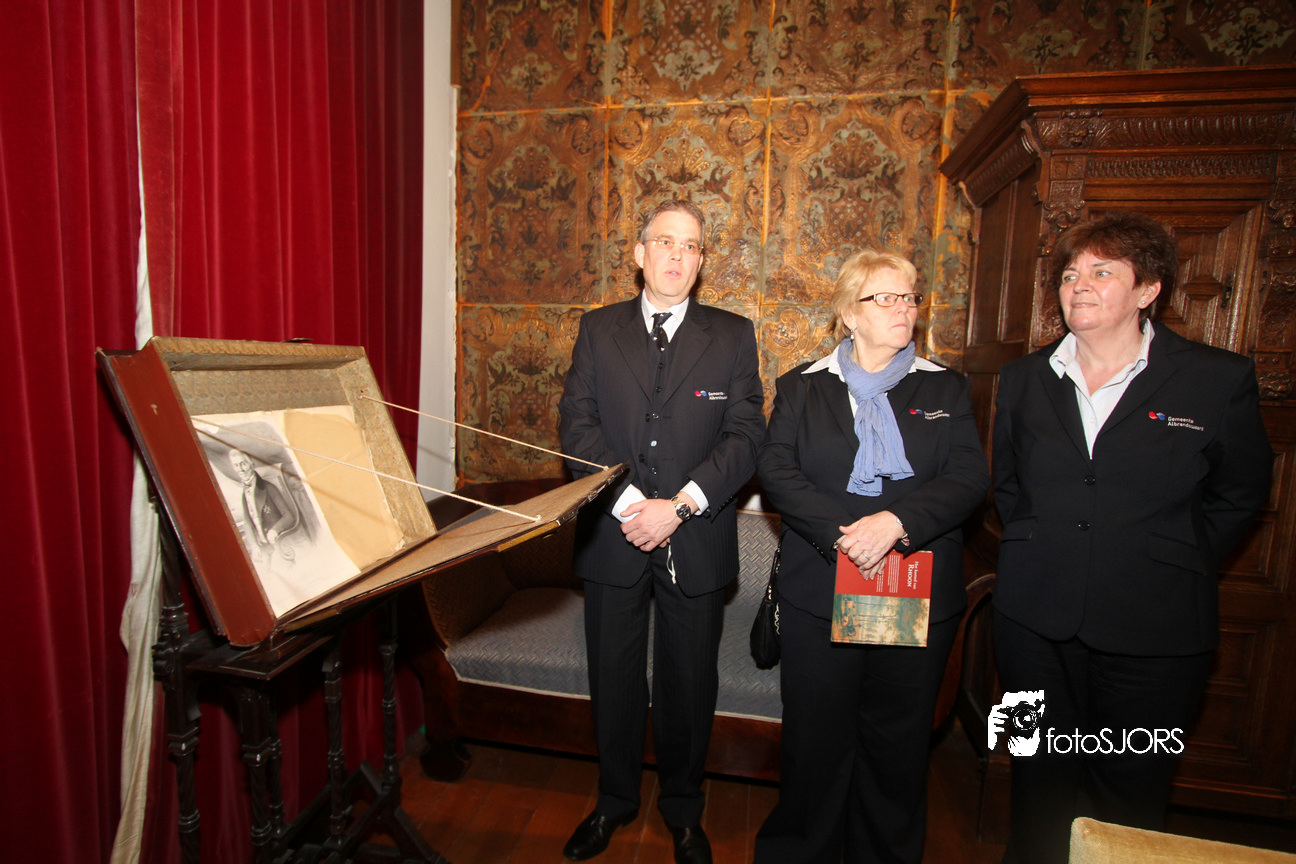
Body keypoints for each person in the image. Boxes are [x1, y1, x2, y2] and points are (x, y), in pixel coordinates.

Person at [991, 211, 1273, 864]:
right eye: (1070, 275)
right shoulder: (1025, 377)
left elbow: (1240, 494)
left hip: (1156, 629)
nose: (1080, 286)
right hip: (1032, 623)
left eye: (1102, 272)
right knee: (1035, 779)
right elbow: (1009, 487)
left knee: (1129, 789)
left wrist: (1168, 558)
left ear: (1149, 289)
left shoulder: (1216, 378)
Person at [753, 250, 990, 863]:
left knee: (896, 747)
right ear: (849, 314)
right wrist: (843, 535)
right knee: (814, 742)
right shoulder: (803, 385)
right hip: (821, 587)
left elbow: (969, 476)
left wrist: (895, 523)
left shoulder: (944, 386)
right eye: (884, 298)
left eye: (909, 297)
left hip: (913, 589)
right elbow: (776, 470)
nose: (901, 308)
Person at [557, 199, 765, 864]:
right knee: (613, 680)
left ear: (701, 262)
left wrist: (679, 505)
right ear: (640, 253)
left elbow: (746, 435)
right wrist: (630, 505)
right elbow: (577, 427)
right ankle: (613, 801)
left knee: (688, 683)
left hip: (695, 536)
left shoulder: (732, 335)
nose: (678, 254)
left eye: (691, 246)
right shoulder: (597, 329)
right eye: (666, 242)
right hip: (612, 536)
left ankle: (683, 811)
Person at [229, 447, 297, 563]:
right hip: (263, 548)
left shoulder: (268, 487)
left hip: (280, 542)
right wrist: (254, 546)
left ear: (251, 464)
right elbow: (247, 523)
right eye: (236, 465)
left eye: (243, 464)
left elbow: (289, 516)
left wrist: (274, 531)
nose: (240, 469)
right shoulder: (244, 493)